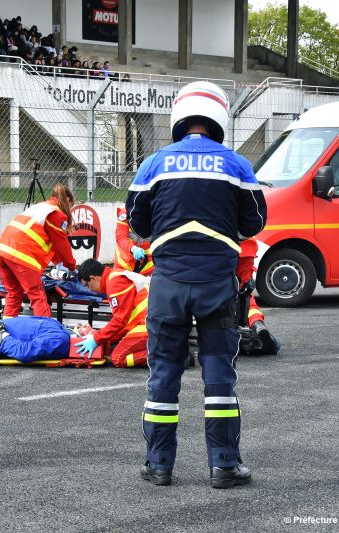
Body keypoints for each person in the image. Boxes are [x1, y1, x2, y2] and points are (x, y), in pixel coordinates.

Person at [126, 81, 267, 488]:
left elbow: (136, 222)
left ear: (180, 117)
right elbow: (255, 222)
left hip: (168, 283)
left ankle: (159, 466)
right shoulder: (236, 164)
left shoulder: (154, 163)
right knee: (219, 374)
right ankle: (224, 465)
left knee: (163, 374)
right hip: (216, 283)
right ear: (220, 116)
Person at [0, 184, 76, 318]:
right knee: (38, 295)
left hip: (3, 251)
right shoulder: (56, 214)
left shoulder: (41, 207)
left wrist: (59, 263)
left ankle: (7, 330)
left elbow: (52, 243)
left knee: (14, 294)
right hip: (21, 255)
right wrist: (71, 266)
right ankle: (45, 333)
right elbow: (62, 244)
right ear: (67, 200)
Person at [76, 259, 149, 368]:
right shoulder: (114, 278)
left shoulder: (115, 283)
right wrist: (104, 338)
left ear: (93, 278)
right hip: (152, 320)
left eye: (87, 285)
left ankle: (172, 355)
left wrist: (97, 338)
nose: (89, 289)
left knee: (119, 358)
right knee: (116, 347)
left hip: (152, 323)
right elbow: (124, 320)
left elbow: (120, 320)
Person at [114, 207, 154, 276]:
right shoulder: (125, 213)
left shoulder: (157, 215)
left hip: (147, 265)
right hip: (123, 264)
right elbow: (121, 237)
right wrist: (133, 249)